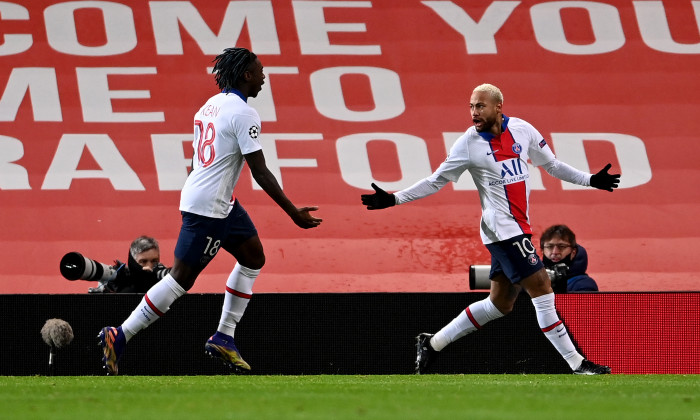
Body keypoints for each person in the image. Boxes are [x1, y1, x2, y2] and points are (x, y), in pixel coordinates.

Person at [361, 83, 619, 375]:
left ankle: (432, 344)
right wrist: (394, 198)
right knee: (543, 288)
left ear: (498, 106)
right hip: (502, 230)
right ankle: (578, 364)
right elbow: (436, 180)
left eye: (480, 106)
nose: (474, 113)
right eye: (471, 106)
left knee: (500, 304)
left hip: (518, 227)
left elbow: (552, 165)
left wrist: (590, 180)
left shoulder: (522, 130)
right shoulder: (468, 144)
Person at [98, 47, 322, 375]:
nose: (264, 76)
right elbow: (259, 171)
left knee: (253, 257)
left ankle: (224, 337)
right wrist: (293, 213)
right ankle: (121, 334)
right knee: (180, 280)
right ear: (246, 75)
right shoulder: (244, 113)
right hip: (209, 209)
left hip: (217, 201)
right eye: (260, 70)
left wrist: (200, 195)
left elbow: (195, 161)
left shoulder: (209, 106)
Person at [86, 236, 170, 294]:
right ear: (133, 261)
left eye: (154, 261)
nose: (149, 266)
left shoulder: (166, 280)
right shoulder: (118, 279)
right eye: (143, 261)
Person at [540, 225, 599, 293]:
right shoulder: (532, 280)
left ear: (573, 252)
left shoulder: (584, 284)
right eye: (550, 247)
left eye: (562, 246)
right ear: (542, 251)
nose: (555, 252)